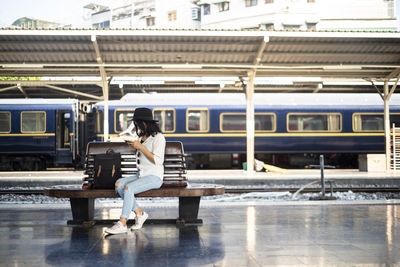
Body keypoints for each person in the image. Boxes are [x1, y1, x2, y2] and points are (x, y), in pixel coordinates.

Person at [105, 107, 165, 235]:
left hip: (154, 177)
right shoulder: (143, 137)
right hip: (141, 175)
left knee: (128, 188)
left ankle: (122, 223)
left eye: (138, 123)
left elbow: (157, 161)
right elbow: (142, 157)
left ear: (146, 123)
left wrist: (140, 147)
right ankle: (140, 213)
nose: (137, 126)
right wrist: (135, 150)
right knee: (119, 184)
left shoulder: (159, 138)